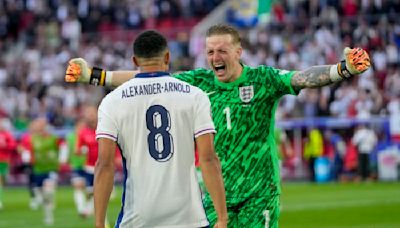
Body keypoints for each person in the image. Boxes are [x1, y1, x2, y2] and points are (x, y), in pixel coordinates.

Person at [66, 24, 371, 227]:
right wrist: (95, 75)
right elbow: (145, 76)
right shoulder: (198, 82)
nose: (215, 57)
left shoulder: (263, 79)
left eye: (222, 50)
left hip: (258, 194)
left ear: (239, 52)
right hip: (214, 197)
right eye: (210, 51)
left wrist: (340, 70)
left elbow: (301, 77)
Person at [93, 30, 227, 228]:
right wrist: (222, 217)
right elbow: (208, 158)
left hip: (137, 219)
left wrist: (99, 223)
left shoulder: (112, 101)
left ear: (134, 61)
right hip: (189, 219)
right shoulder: (195, 96)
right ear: (167, 57)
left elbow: (104, 164)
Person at [28, 117, 62, 225]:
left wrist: (61, 160)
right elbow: (29, 151)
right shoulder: (33, 139)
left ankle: (49, 217)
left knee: (48, 192)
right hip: (38, 169)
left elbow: (61, 148)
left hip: (51, 169)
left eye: (42, 125)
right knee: (41, 195)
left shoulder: (53, 138)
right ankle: (47, 212)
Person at [65, 120, 87, 216]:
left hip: (88, 166)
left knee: (90, 190)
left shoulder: (88, 136)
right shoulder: (70, 137)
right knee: (78, 186)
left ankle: (88, 208)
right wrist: (67, 160)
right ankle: (81, 209)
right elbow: (67, 150)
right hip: (76, 165)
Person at [0, 118, 17, 209]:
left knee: (1, 180)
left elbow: (13, 145)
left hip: (3, 160)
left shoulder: (6, 134)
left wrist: (5, 145)